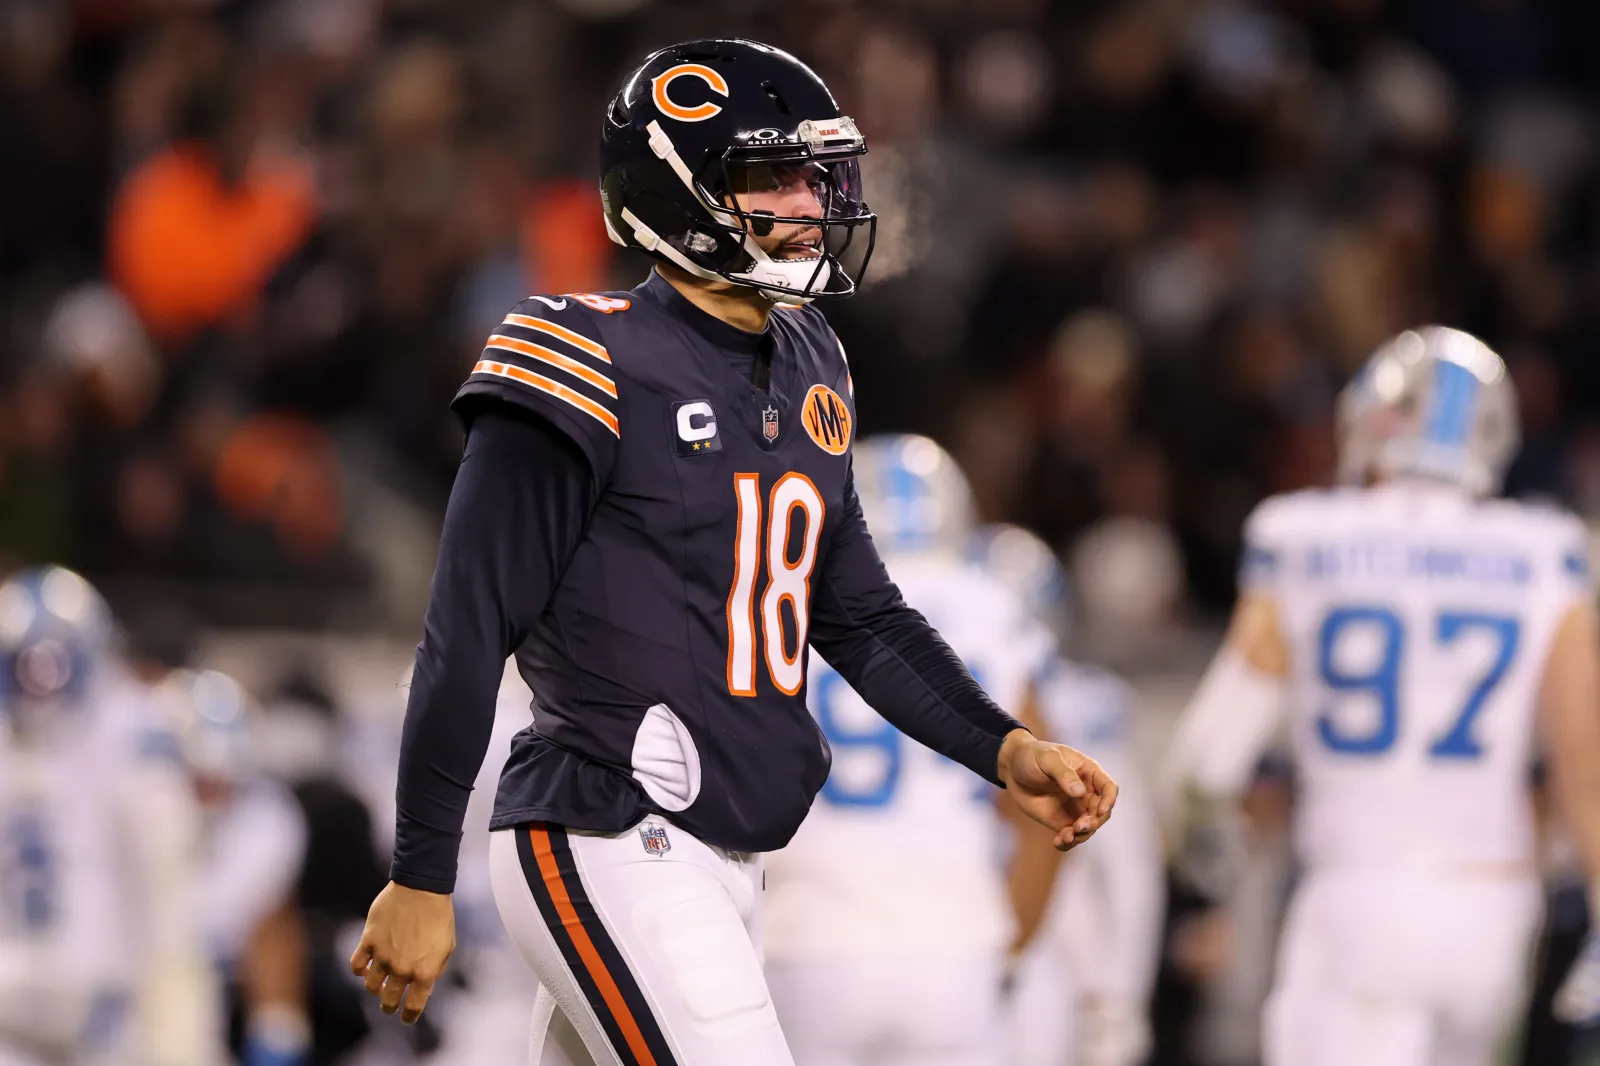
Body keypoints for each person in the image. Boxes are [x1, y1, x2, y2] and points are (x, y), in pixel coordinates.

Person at [348, 38, 1117, 1066]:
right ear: (675, 193)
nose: (810, 201)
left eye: (813, 174)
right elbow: (464, 630)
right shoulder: (582, 351)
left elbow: (858, 615)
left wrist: (1002, 745)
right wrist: (419, 873)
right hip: (608, 823)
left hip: (728, 857)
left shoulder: (811, 356)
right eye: (772, 178)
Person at [1166, 326, 1600, 1066]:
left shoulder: (1301, 537)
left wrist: (1211, 861)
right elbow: (1582, 757)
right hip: (1493, 914)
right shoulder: (1546, 549)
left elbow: (1208, 758)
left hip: (1358, 899)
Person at [762, 436, 1061, 1066]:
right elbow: (1043, 810)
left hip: (810, 938)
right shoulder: (991, 606)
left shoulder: (787, 595)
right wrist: (1008, 954)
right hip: (952, 945)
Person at [0, 567, 218, 1066]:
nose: (41, 680)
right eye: (25, 662)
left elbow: (168, 893)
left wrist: (175, 1021)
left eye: (55, 660)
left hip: (107, 999)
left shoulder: (131, 729)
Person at [970, 525, 1165, 1066]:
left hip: (1029, 956)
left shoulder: (1080, 704)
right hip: (978, 948)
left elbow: (1126, 864)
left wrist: (1118, 994)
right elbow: (1132, 873)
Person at [164, 667, 312, 1066]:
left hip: (202, 999)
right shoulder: (130, 810)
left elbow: (271, 933)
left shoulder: (266, 822)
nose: (209, 791)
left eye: (220, 775)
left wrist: (277, 1038)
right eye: (198, 776)